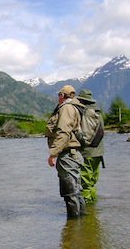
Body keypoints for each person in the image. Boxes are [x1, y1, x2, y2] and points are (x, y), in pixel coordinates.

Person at [45, 85, 86, 218]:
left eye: (59, 94)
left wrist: (53, 153)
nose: (58, 97)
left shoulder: (67, 108)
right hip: (73, 155)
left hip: (68, 156)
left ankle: (73, 228)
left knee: (70, 193)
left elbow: (63, 132)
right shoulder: (74, 107)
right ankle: (82, 226)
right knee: (76, 191)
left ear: (63, 95)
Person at [76, 89, 105, 204]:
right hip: (99, 151)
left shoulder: (85, 113)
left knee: (85, 180)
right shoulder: (98, 112)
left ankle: (87, 207)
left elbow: (84, 134)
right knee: (93, 179)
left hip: (88, 152)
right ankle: (93, 207)